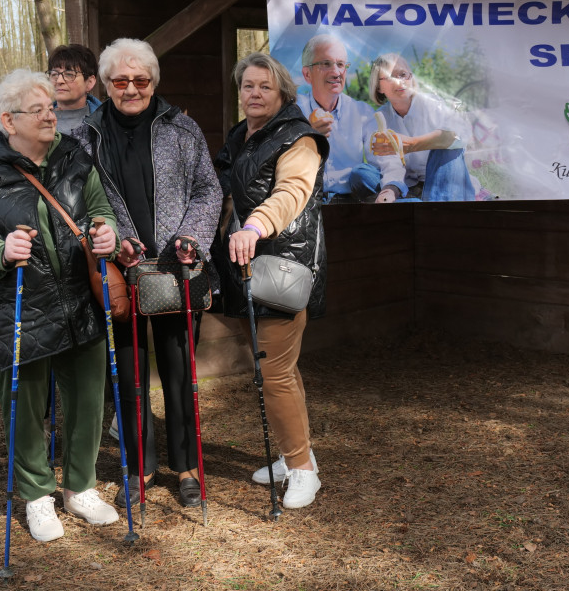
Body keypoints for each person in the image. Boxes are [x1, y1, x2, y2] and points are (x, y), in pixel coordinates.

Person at [0, 69, 120, 542]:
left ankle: (80, 487)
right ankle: (38, 496)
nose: (51, 115)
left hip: (79, 302)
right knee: (25, 407)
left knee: (87, 400)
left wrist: (107, 233)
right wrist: (0, 252)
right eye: (38, 109)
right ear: (9, 120)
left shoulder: (75, 158)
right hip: (19, 306)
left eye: (51, 107)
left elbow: (102, 211)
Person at [71, 38, 222, 510]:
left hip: (179, 268)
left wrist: (191, 238)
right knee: (130, 376)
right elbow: (79, 207)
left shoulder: (182, 128)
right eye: (121, 80)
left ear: (153, 82)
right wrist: (114, 243)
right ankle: (140, 468)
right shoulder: (85, 137)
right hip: (123, 273)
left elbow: (207, 190)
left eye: (141, 80)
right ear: (108, 84)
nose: (131, 88)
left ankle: (189, 465)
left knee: (181, 371)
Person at [214, 51, 328, 509]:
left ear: (281, 92)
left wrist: (255, 225)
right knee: (275, 369)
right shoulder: (242, 136)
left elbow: (292, 192)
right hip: (243, 269)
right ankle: (294, 453)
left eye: (264, 86)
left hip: (280, 267)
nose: (254, 93)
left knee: (275, 373)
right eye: (247, 86)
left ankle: (302, 470)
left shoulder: (298, 138)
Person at [366, 53, 475, 203]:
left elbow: (461, 134)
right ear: (378, 87)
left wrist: (411, 144)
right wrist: (388, 191)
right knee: (363, 175)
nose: (400, 82)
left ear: (411, 78)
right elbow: (391, 166)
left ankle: (435, 214)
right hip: (411, 188)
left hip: (447, 182)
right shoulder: (380, 119)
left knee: (446, 149)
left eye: (404, 74)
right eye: (390, 76)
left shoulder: (433, 104)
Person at [295, 34, 378, 202]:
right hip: (306, 204)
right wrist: (306, 134)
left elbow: (380, 163)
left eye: (341, 65)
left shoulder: (362, 112)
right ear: (307, 74)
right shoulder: (293, 111)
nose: (336, 72)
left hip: (352, 203)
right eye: (326, 64)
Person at [47, 43, 101, 135]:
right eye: (54, 74)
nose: (59, 81)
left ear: (90, 82)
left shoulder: (106, 122)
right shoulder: (38, 120)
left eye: (69, 75)